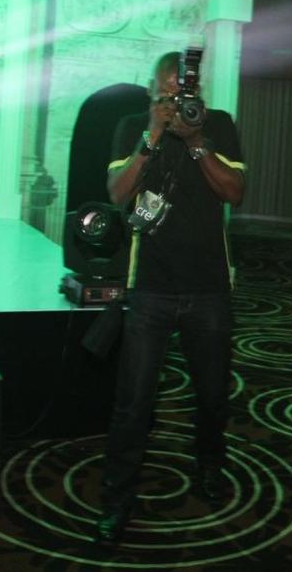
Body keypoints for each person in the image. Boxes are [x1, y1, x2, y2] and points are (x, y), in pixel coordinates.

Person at [96, 51, 246, 544]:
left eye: (184, 94)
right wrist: (153, 135)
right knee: (133, 402)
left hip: (209, 287)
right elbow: (118, 192)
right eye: (166, 93)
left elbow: (235, 191)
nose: (177, 101)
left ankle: (209, 465)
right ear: (151, 92)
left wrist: (197, 142)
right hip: (150, 287)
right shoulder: (132, 126)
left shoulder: (217, 124)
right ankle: (117, 499)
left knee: (212, 395)